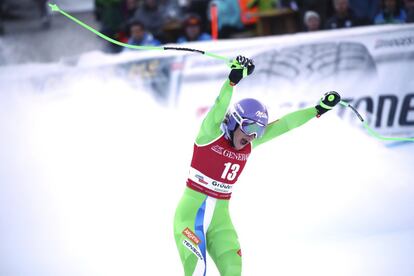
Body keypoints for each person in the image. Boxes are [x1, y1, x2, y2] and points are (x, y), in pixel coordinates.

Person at [173, 55, 341, 276]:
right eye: (250, 127)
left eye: (259, 131)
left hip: (220, 221)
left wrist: (317, 110)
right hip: (190, 216)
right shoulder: (210, 134)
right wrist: (232, 81)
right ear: (234, 121)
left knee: (234, 271)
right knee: (198, 272)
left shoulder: (248, 145)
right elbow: (219, 105)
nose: (253, 136)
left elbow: (287, 124)